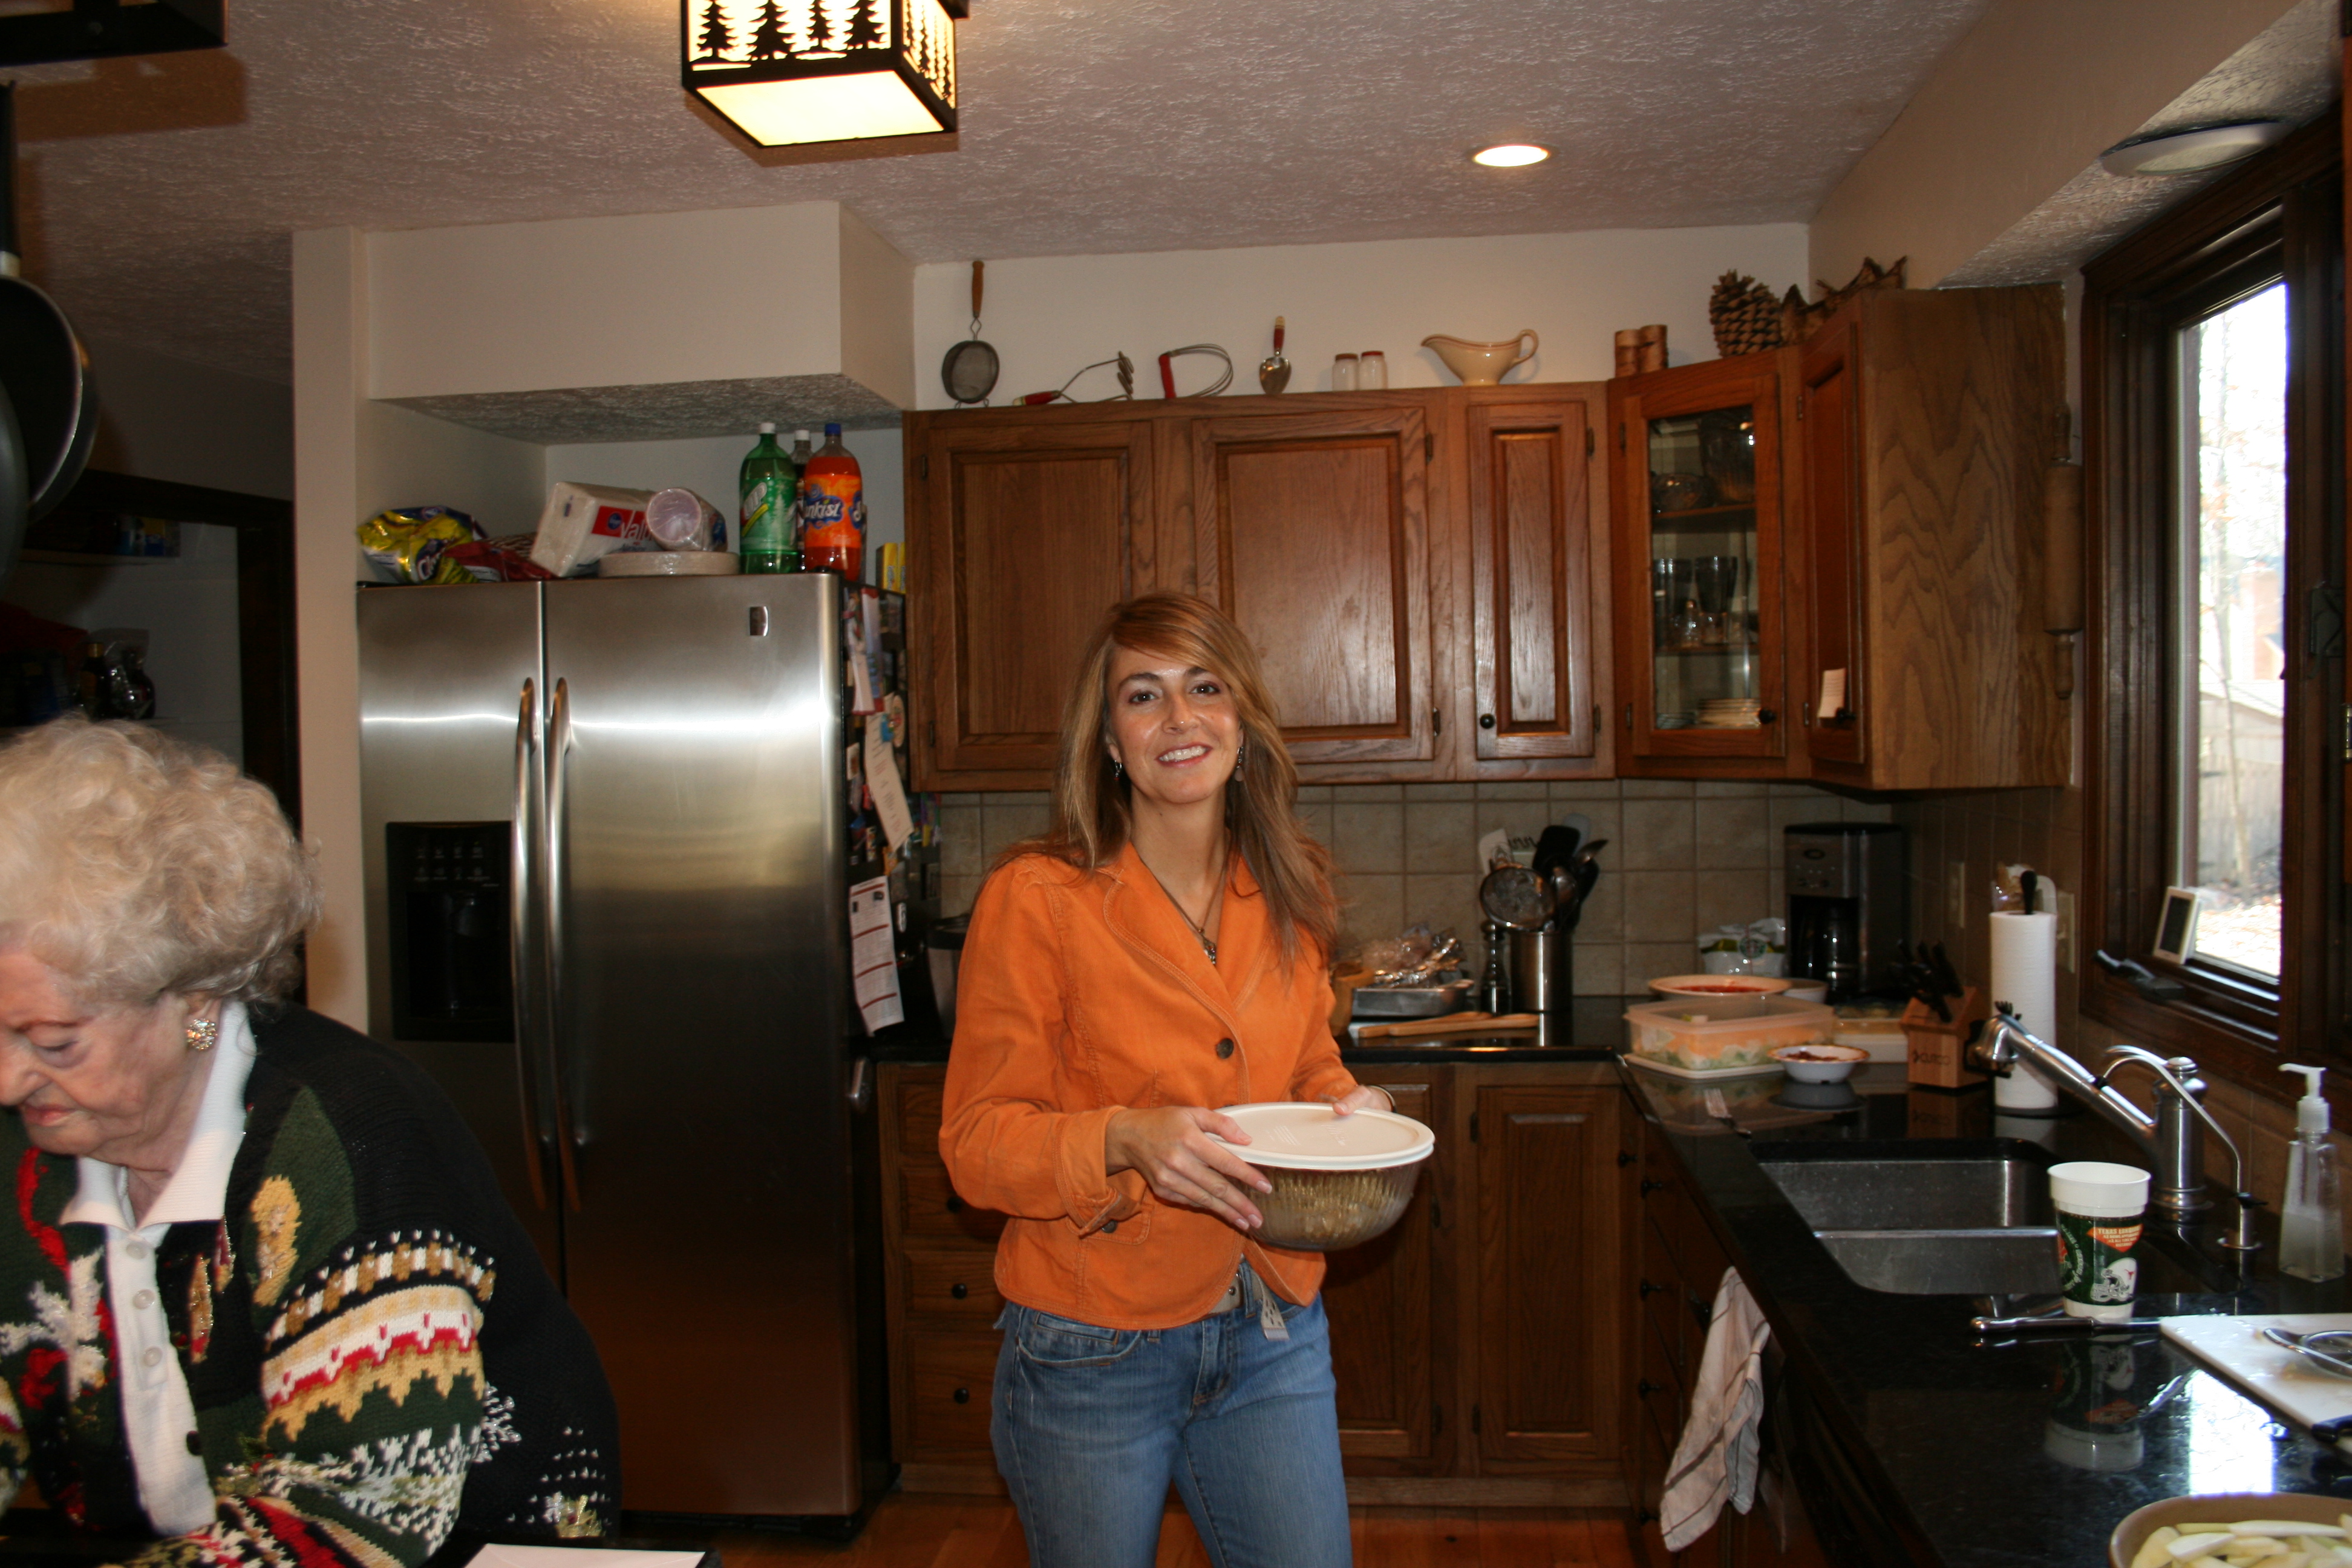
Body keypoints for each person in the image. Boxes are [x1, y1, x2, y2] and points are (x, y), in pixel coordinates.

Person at [0, 717, 618, 1567]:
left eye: (54, 1040)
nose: (9, 1081)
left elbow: (358, 1512)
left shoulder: (351, 1138)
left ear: (196, 1000)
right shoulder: (27, 1145)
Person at [940, 592, 1386, 1568]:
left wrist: (1347, 1109)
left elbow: (1306, 1062)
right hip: (1092, 1345)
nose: (1180, 718)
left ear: (1243, 720)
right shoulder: (1038, 897)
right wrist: (1122, 1138)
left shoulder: (1292, 885)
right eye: (1143, 695)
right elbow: (975, 1144)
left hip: (1271, 1321)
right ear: (1110, 740)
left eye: (1205, 688)